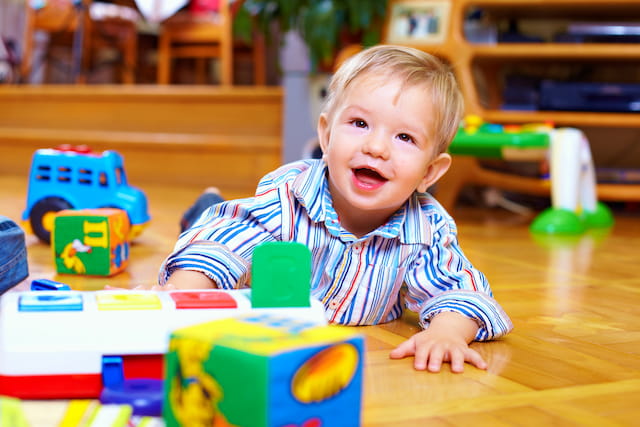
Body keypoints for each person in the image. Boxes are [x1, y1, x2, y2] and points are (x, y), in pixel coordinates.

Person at [159, 45, 513, 373]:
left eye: (404, 138)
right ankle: (206, 204)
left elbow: (459, 289)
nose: (376, 147)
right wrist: (182, 292)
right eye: (359, 124)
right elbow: (222, 246)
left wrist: (448, 333)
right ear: (326, 138)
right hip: (249, 287)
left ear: (430, 172)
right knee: (207, 224)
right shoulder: (290, 196)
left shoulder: (426, 227)